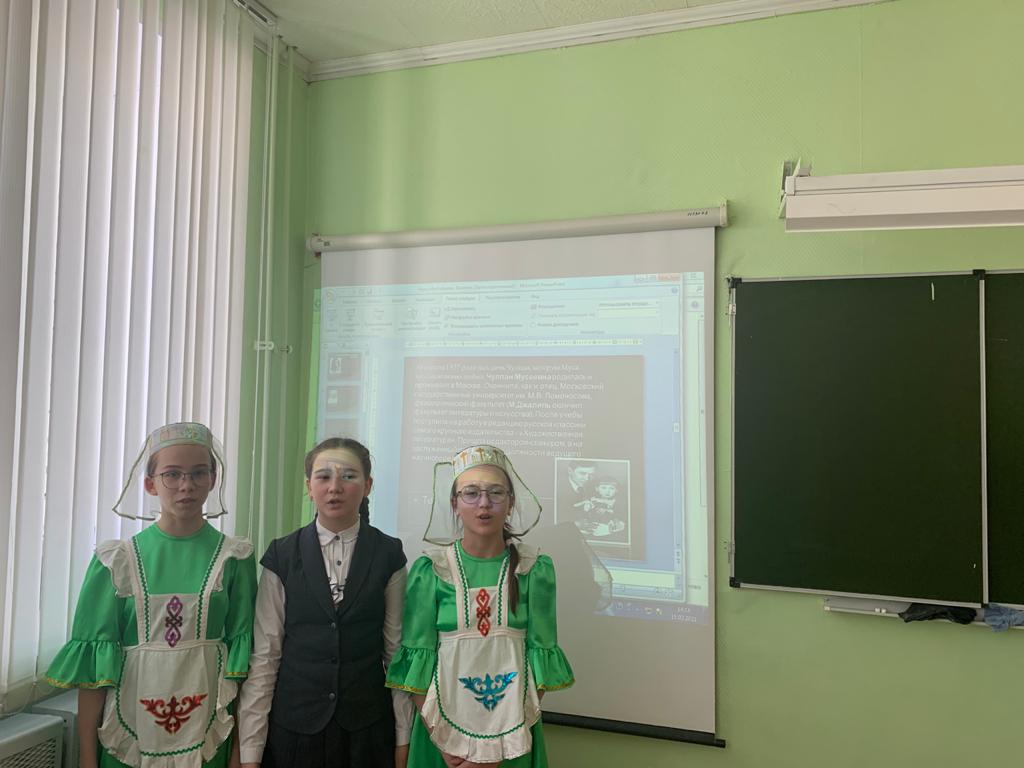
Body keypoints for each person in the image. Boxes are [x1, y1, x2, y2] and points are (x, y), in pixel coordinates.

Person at [44, 422, 257, 768]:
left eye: (198, 473)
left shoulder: (235, 558)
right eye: (172, 474)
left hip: (209, 732)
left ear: (213, 479)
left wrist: (239, 754)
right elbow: (94, 672)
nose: (186, 485)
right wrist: (87, 758)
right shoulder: (116, 561)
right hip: (128, 733)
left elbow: (242, 668)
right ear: (150, 484)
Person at [386, 445, 574, 767]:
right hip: (440, 738)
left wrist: (499, 747)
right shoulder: (430, 570)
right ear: (455, 503)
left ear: (510, 502)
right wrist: (445, 744)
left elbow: (540, 663)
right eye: (471, 493)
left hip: (514, 736)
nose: (484, 503)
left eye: (495, 493)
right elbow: (417, 665)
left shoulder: (533, 569)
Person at [238, 437, 411, 768]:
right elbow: (266, 657)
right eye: (324, 476)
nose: (335, 487)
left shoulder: (389, 554)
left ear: (368, 485)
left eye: (348, 476)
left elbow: (396, 653)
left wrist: (403, 738)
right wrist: (250, 751)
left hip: (367, 731)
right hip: (294, 731)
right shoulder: (282, 555)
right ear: (309, 487)